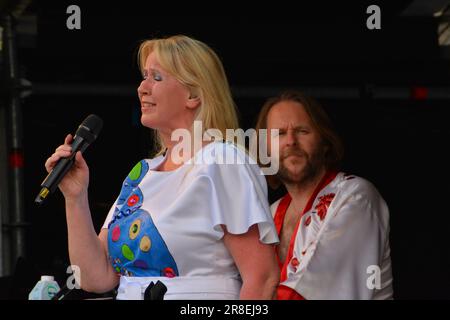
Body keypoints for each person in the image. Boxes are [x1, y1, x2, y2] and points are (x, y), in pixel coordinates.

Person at [45, 35, 280, 300]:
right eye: (144, 76)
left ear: (193, 95)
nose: (142, 88)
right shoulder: (142, 173)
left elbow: (262, 278)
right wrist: (75, 197)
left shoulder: (223, 162)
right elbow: (94, 277)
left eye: (156, 78)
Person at [255, 91, 393, 300]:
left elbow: (315, 292)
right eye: (279, 134)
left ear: (325, 141)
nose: (291, 141)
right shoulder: (269, 215)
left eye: (302, 131)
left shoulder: (356, 197)